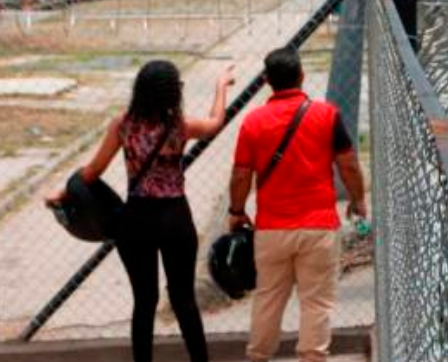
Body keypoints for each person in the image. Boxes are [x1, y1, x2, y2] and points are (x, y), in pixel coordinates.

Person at [46, 60, 235, 362]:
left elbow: (93, 170)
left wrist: (64, 191)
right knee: (184, 300)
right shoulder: (179, 127)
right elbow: (215, 122)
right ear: (172, 93)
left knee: (144, 302)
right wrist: (220, 86)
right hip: (175, 218)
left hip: (136, 221)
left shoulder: (123, 125)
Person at [226, 47, 367, 362]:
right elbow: (349, 165)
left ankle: (258, 356)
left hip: (272, 228)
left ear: (266, 81)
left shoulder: (253, 122)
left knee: (269, 299)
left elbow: (240, 175)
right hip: (318, 227)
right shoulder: (327, 115)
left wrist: (236, 212)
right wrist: (358, 198)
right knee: (316, 302)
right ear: (301, 76)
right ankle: (313, 357)